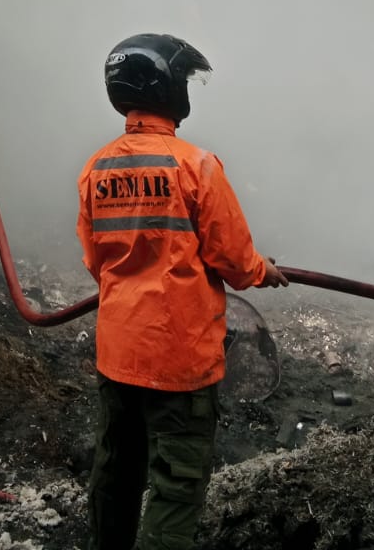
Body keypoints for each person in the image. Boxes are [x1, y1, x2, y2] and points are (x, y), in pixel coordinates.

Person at [77, 33, 288, 549]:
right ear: (167, 88)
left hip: (118, 353)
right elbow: (235, 262)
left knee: (115, 471)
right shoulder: (197, 165)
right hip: (178, 356)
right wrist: (265, 271)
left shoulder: (96, 168)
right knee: (176, 484)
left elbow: (95, 260)